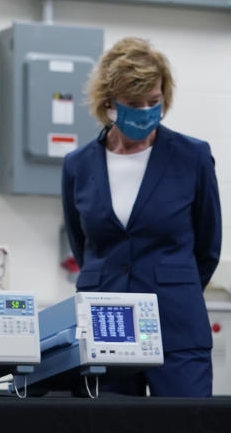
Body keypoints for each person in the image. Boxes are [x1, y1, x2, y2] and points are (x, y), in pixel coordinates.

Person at [62, 37, 221, 397]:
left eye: (154, 102)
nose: (146, 111)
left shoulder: (192, 157)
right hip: (105, 326)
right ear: (109, 102)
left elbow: (208, 247)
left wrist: (171, 285)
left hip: (177, 327)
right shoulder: (78, 165)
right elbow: (84, 245)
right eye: (134, 104)